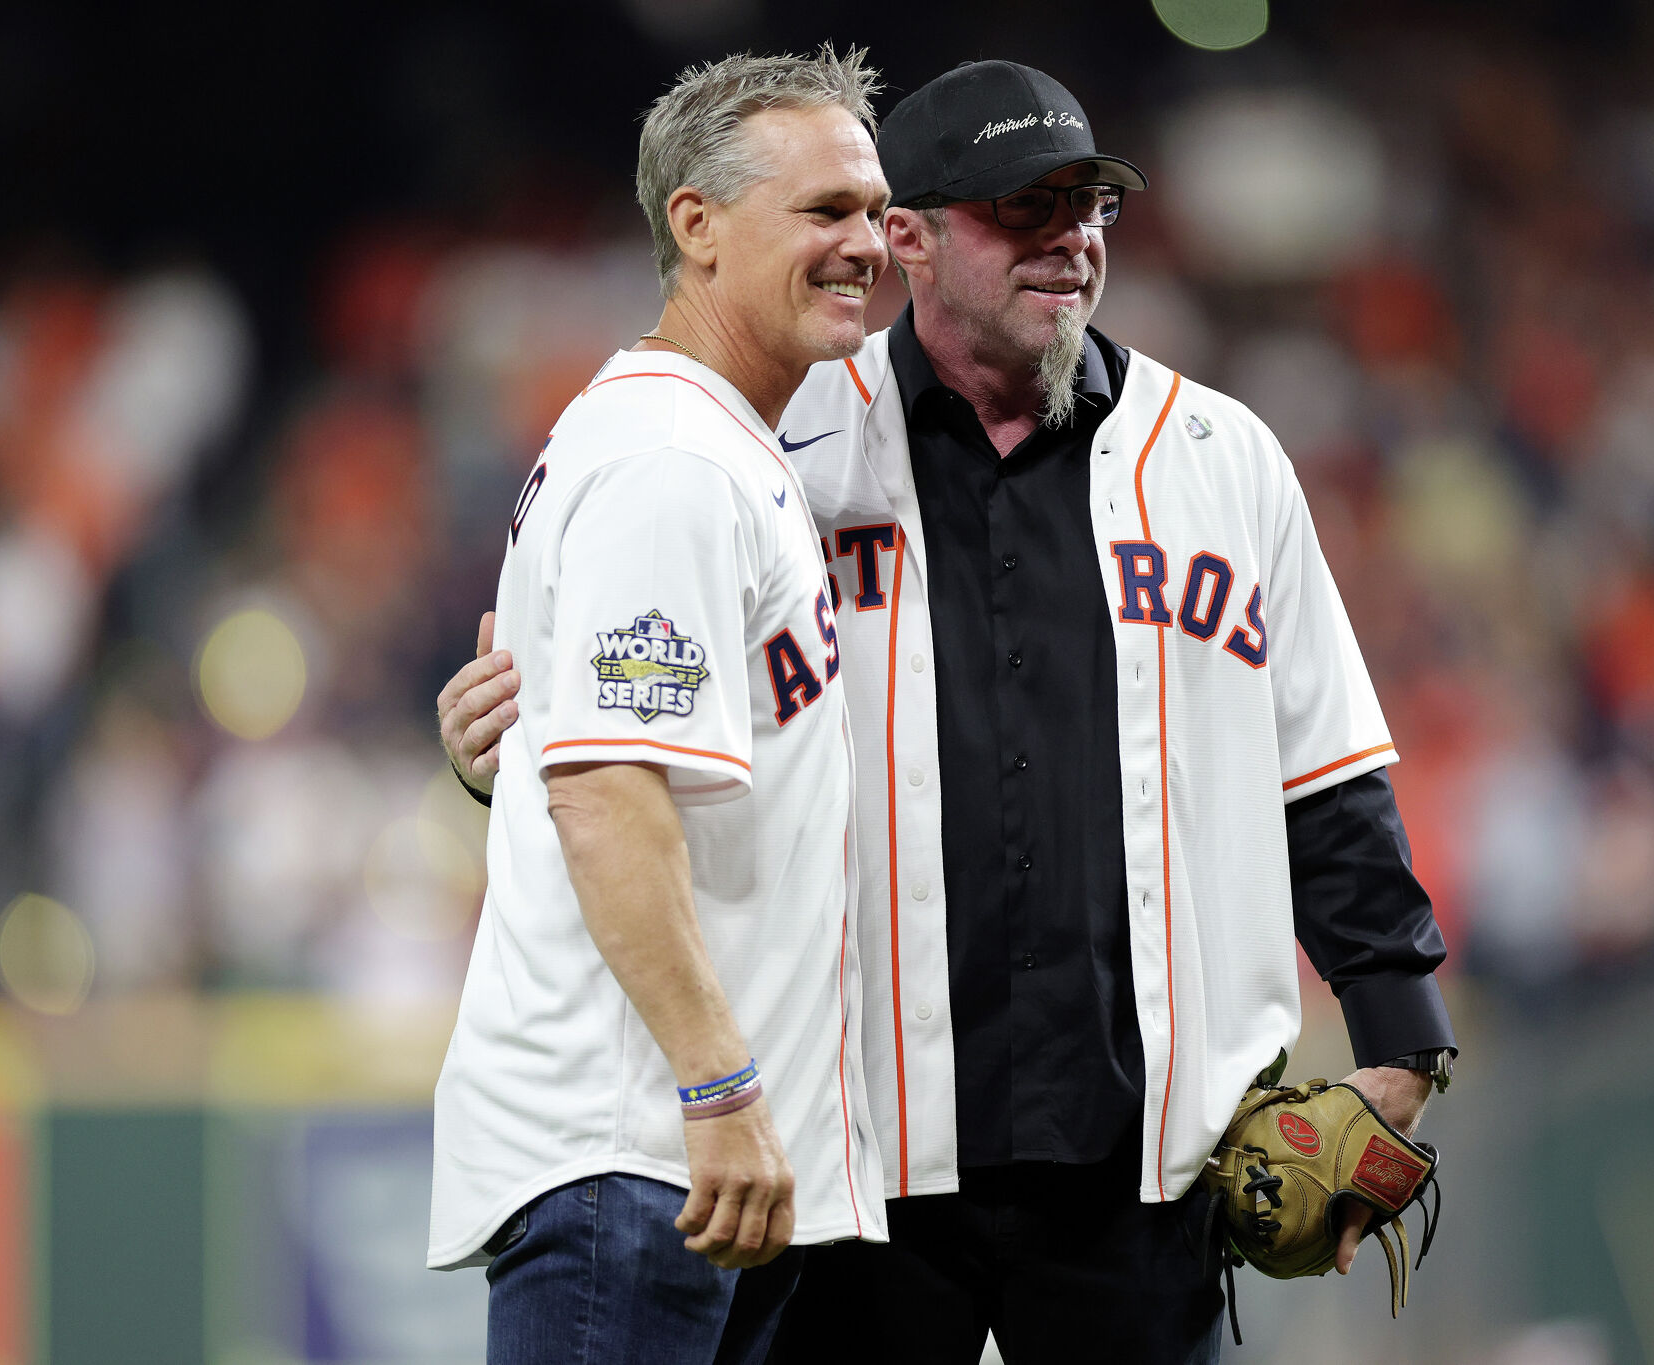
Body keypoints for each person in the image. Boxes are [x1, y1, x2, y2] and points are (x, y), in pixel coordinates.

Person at [439, 60, 1455, 1365]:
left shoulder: (1219, 459)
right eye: (1023, 209)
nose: (1070, 240)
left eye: (1089, 205)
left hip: (1140, 1166)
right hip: (860, 1171)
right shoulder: (776, 443)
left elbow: (1325, 771)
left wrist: (1402, 1040)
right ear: (907, 238)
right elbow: (634, 716)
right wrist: (503, 749)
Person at [426, 47, 893, 1365]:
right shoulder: (672, 462)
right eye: (823, 211)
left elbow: (574, 760)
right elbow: (607, 794)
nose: (864, 242)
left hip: (679, 1163)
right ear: (695, 224)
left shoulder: (710, 444)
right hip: (640, 1158)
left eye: (871, 209)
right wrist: (719, 1082)